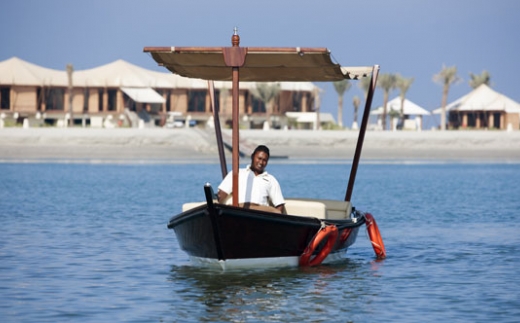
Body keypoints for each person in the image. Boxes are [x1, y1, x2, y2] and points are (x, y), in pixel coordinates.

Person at [217, 145, 285, 213]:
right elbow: (222, 193)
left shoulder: (271, 180)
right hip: (240, 211)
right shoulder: (238, 173)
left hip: (260, 214)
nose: (261, 162)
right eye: (259, 158)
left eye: (264, 160)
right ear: (252, 156)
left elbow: (279, 205)